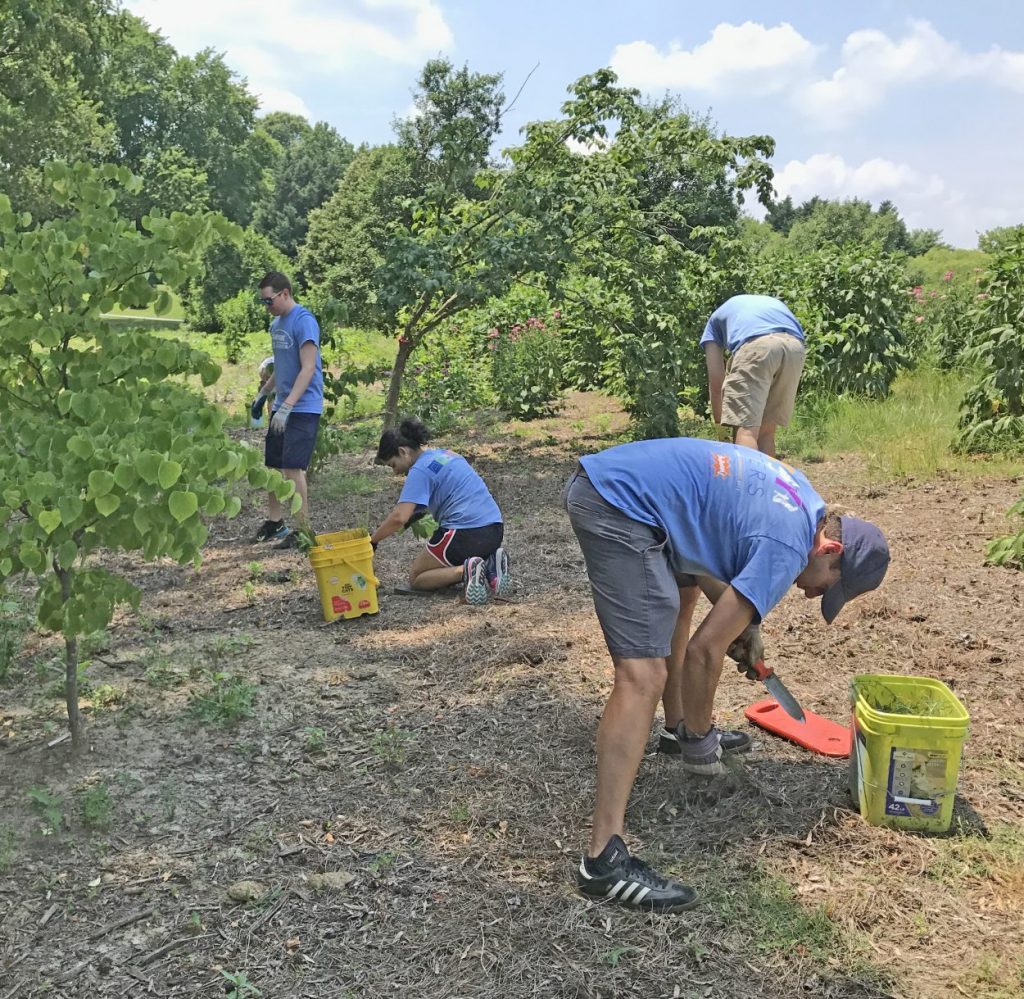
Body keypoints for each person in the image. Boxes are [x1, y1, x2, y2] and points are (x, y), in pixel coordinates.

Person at [564, 437, 889, 913]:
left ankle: (675, 731)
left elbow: (712, 544)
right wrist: (704, 743)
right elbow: (703, 653)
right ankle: (603, 861)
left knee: (685, 595)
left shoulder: (803, 500)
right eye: (826, 589)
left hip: (625, 488)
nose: (810, 596)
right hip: (619, 505)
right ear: (831, 549)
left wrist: (745, 622)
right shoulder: (789, 545)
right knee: (641, 676)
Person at [371, 419, 510, 605]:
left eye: (393, 465)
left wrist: (373, 541)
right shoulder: (447, 454)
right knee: (443, 561)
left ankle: (470, 569)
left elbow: (399, 517)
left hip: (464, 535)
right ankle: (492, 564)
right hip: (494, 530)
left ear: (402, 452)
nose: (395, 472)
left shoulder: (419, 470)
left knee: (417, 577)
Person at [250, 272, 324, 550]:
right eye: (263, 302)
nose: (266, 306)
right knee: (273, 465)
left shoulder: (304, 321)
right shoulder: (276, 325)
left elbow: (307, 369)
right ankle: (275, 523)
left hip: (304, 407)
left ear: (284, 293)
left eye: (269, 301)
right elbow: (283, 365)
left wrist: (288, 406)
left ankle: (304, 530)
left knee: (292, 467)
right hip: (282, 405)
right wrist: (264, 393)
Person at [701, 293, 806, 458]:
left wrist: (721, 430)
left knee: (746, 431)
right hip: (795, 347)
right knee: (766, 432)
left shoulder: (713, 324)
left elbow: (716, 382)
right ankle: (768, 484)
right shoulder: (761, 304)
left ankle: (745, 483)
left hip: (758, 347)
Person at [249, 356, 275, 428]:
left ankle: (258, 421)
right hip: (273, 366)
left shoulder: (268, 360)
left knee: (269, 395)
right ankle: (271, 421)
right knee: (272, 395)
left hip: (266, 366)